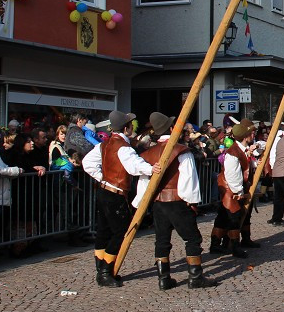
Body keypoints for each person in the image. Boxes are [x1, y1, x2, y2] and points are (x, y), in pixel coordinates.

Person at [134, 112, 215, 290]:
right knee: (193, 239)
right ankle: (195, 277)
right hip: (177, 201)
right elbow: (189, 178)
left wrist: (141, 203)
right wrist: (192, 202)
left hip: (158, 203)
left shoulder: (148, 154)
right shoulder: (181, 150)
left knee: (162, 240)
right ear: (172, 129)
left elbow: (144, 183)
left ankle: (163, 279)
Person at [81, 110, 161, 287]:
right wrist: (151, 169)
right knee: (119, 232)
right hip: (114, 194)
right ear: (126, 128)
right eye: (130, 124)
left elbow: (87, 163)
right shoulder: (122, 147)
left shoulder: (105, 144)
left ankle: (101, 269)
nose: (132, 127)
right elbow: (133, 166)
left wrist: (102, 178)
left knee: (104, 231)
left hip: (104, 191)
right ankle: (105, 272)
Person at [210, 119, 255, 258]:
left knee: (224, 217)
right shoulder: (232, 153)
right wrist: (238, 191)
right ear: (246, 136)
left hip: (234, 189)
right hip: (229, 190)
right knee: (232, 218)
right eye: (251, 134)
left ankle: (218, 245)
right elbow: (232, 175)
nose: (253, 135)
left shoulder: (240, 150)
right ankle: (233, 247)